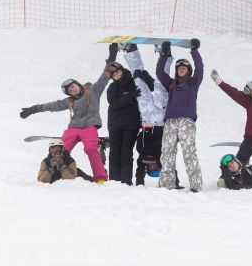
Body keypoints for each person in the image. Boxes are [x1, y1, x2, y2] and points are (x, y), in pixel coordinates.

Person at [20, 45, 116, 184]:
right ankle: (55, 175)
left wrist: (112, 56)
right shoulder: (70, 101)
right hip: (73, 128)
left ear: (77, 84)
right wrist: (33, 109)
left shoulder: (93, 91)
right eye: (69, 90)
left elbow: (105, 76)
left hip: (90, 127)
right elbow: (52, 105)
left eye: (72, 86)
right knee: (60, 150)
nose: (72, 90)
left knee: (90, 148)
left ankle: (100, 177)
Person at [120, 43, 183, 188]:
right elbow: (171, 167)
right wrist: (176, 183)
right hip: (160, 120)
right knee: (160, 86)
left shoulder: (143, 159)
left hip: (146, 119)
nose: (154, 167)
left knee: (138, 81)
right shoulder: (162, 158)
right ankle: (165, 56)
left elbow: (138, 173)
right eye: (156, 169)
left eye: (151, 169)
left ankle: (131, 51)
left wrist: (140, 184)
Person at [156, 38, 203, 192]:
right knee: (167, 153)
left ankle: (195, 186)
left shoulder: (194, 82)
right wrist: (164, 55)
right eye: (179, 67)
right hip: (170, 122)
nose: (181, 69)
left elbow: (200, 67)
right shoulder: (171, 84)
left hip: (186, 122)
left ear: (188, 70)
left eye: (184, 67)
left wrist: (194, 50)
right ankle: (166, 186)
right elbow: (159, 72)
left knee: (189, 153)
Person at [106, 45, 141, 185]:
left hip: (131, 124)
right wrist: (130, 98)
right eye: (114, 75)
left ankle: (126, 181)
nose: (117, 76)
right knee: (114, 153)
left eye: (118, 73)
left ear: (122, 70)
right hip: (115, 125)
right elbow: (113, 104)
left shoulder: (134, 82)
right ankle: (114, 181)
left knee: (126, 152)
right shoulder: (112, 87)